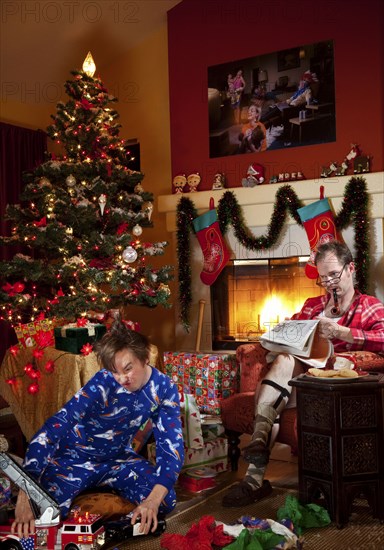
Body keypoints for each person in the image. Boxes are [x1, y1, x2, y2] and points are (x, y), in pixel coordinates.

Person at [222, 241, 384, 507]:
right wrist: (279, 336)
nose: (330, 282)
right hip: (294, 385)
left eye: (334, 274)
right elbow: (289, 335)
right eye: (323, 277)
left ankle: (253, 474)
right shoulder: (311, 305)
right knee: (285, 359)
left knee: (275, 395)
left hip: (327, 392)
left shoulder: (368, 306)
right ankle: (257, 460)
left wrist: (346, 334)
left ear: (351, 268)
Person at [12, 317, 184, 537]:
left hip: (117, 459)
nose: (122, 378)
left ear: (145, 358)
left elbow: (172, 448)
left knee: (165, 499)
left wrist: (152, 501)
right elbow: (53, 429)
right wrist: (27, 491)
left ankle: (110, 527)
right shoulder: (103, 382)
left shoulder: (165, 388)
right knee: (44, 510)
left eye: (128, 368)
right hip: (74, 459)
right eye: (115, 371)